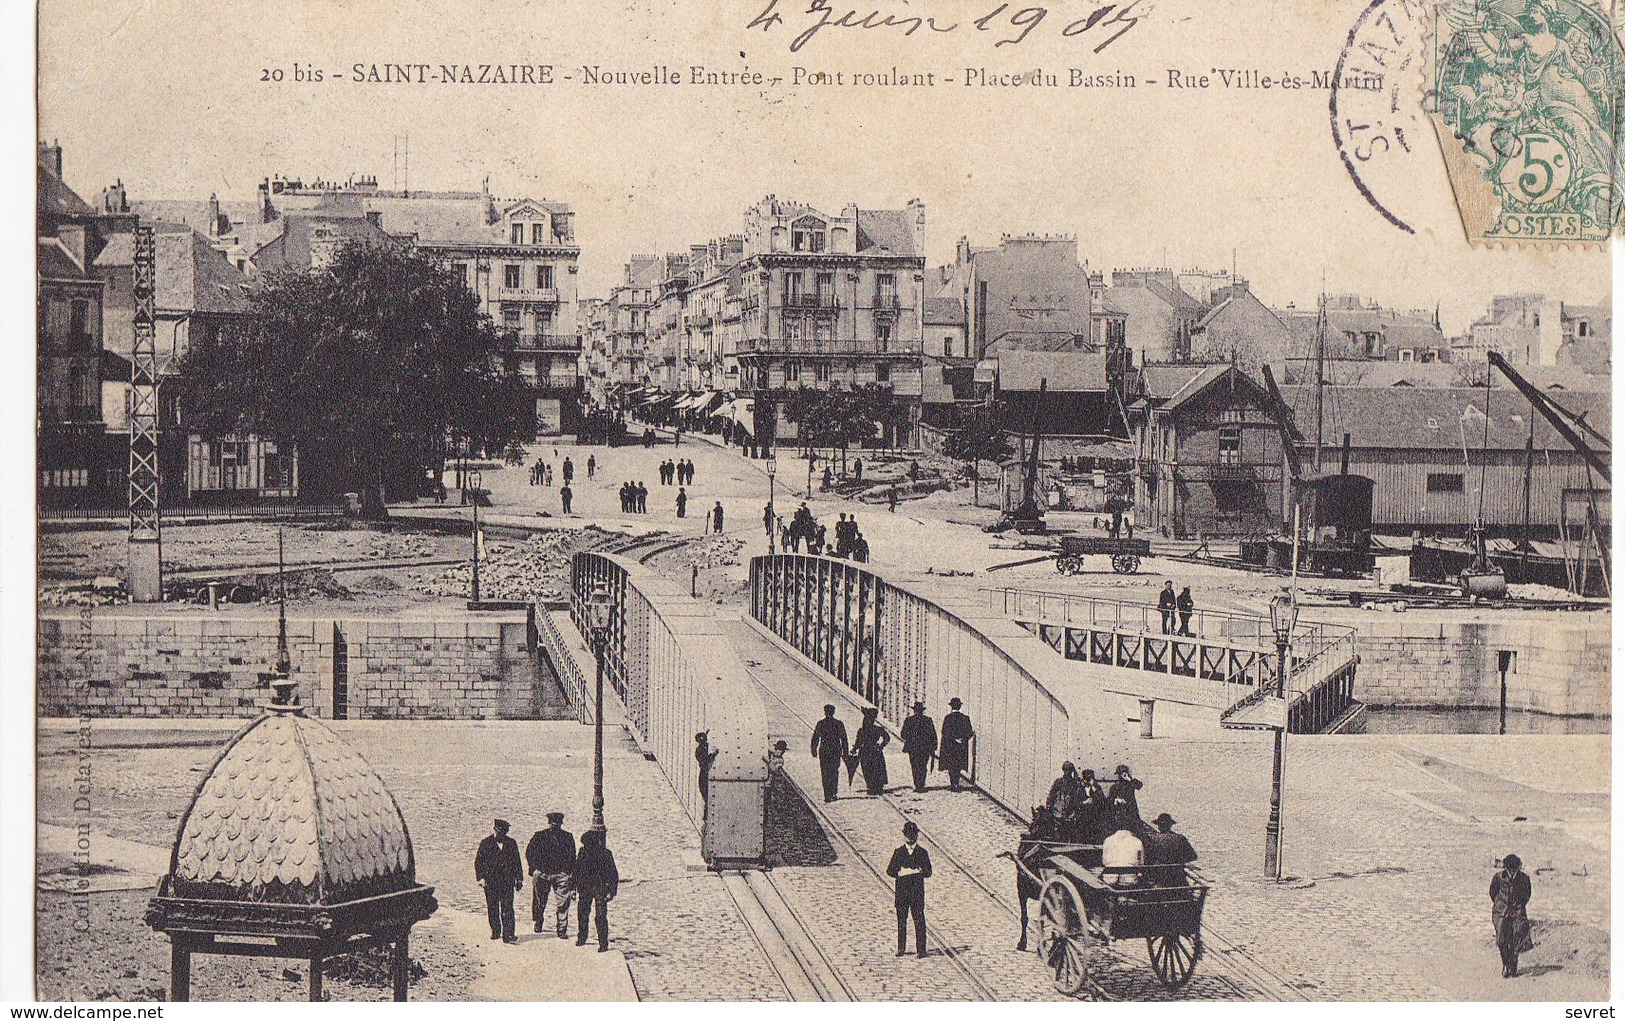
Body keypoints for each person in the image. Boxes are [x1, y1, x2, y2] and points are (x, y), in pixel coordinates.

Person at [526, 812, 577, 938]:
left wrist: (568, 873)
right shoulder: (539, 836)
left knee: (563, 903)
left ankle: (561, 929)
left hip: (561, 875)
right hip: (542, 873)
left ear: (561, 824)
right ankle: (538, 921)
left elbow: (572, 856)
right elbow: (529, 852)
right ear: (549, 823)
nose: (555, 826)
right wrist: (534, 870)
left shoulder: (567, 837)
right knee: (539, 900)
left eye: (558, 824)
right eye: (553, 824)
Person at [887, 821, 932, 958]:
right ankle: (901, 948)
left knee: (919, 920)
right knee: (902, 920)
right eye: (908, 835)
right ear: (904, 836)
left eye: (913, 835)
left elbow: (929, 872)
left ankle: (921, 949)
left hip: (916, 892)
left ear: (917, 836)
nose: (910, 838)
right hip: (902, 892)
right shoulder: (899, 852)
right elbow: (890, 870)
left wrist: (919, 871)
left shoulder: (922, 853)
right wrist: (900, 872)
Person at [475, 819, 524, 943]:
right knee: (493, 907)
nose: (502, 834)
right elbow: (478, 862)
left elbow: (517, 862)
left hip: (507, 882)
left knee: (508, 907)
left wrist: (519, 879)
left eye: (505, 832)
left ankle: (509, 934)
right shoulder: (486, 843)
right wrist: (480, 878)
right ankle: (496, 930)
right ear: (495, 829)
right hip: (490, 882)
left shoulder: (511, 843)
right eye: (500, 831)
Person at [574, 829, 619, 952]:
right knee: (583, 913)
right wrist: (574, 888)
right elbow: (577, 871)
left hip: (600, 888)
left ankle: (603, 943)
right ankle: (582, 937)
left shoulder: (605, 854)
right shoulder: (582, 853)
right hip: (585, 888)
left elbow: (613, 874)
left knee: (600, 916)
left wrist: (611, 891)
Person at [1491, 854, 1533, 977]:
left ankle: (1513, 965)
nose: (1512, 872)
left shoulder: (1524, 879)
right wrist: (1501, 905)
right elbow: (1493, 893)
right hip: (1501, 912)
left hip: (1517, 912)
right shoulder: (1498, 878)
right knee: (1501, 940)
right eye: (1510, 870)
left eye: (1515, 870)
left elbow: (1527, 895)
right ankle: (1505, 964)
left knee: (1517, 939)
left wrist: (1518, 906)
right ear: (1506, 868)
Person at [1141, 812, 1197, 887]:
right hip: (1177, 877)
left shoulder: (1152, 839)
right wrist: (1179, 860)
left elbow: (1147, 859)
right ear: (1170, 825)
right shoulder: (1180, 838)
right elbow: (1193, 856)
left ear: (1158, 826)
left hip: (1158, 877)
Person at [809, 704, 850, 802]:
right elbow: (844, 739)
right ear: (833, 712)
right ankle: (833, 792)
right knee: (834, 772)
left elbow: (815, 737)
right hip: (835, 751)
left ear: (825, 712)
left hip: (824, 751)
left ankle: (827, 794)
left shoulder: (821, 723)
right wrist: (845, 753)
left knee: (825, 772)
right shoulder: (839, 723)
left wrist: (814, 750)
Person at [900, 701, 938, 793]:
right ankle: (921, 784)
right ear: (922, 711)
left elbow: (903, 734)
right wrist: (933, 747)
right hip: (925, 748)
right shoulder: (928, 720)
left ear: (914, 711)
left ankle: (917, 785)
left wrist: (911, 739)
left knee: (915, 766)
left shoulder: (909, 720)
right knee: (923, 766)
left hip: (913, 748)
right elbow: (933, 735)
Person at [939, 698, 974, 791]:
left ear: (951, 707)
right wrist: (962, 739)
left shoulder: (948, 718)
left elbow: (944, 732)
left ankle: (953, 784)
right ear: (960, 706)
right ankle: (956, 783)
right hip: (961, 747)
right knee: (958, 765)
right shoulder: (965, 718)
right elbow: (970, 732)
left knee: (951, 765)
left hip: (950, 746)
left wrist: (954, 739)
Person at [854, 707, 890, 795]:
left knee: (868, 769)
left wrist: (854, 749)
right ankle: (877, 786)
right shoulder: (877, 729)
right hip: (875, 751)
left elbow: (858, 742)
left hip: (865, 751)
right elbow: (887, 738)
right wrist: (881, 746)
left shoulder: (862, 730)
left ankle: (871, 786)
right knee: (877, 768)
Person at [1045, 762, 1085, 827]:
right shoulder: (1060, 782)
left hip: (1065, 814)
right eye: (1066, 770)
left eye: (1068, 770)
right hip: (1062, 814)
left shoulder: (1074, 783)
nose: (1067, 772)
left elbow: (1050, 797)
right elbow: (1051, 797)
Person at [1107, 764, 1144, 832]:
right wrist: (1116, 800)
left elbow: (1139, 785)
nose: (1119, 776)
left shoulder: (1131, 784)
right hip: (1120, 812)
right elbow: (1110, 799)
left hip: (1132, 811)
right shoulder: (1115, 786)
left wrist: (1129, 778)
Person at [1076, 768, 1108, 844]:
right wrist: (1084, 803)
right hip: (1082, 817)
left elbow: (1103, 801)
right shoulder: (1078, 789)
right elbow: (1074, 803)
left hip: (1094, 817)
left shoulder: (1096, 788)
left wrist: (1094, 788)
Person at [695, 732, 719, 808]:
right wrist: (714, 754)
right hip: (704, 773)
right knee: (705, 794)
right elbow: (704, 761)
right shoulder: (699, 750)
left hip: (704, 772)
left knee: (705, 794)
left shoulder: (704, 748)